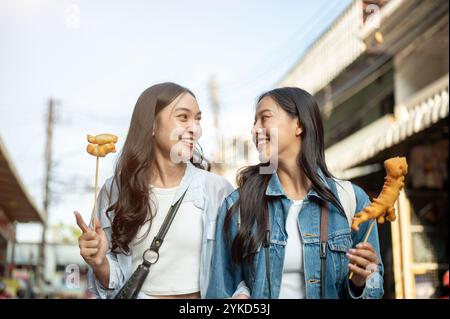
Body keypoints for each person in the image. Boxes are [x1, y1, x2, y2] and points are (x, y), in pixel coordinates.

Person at [206, 87, 384, 299]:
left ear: (299, 125)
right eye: (254, 122)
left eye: (265, 118)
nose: (255, 130)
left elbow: (375, 288)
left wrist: (360, 282)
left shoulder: (351, 200)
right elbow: (219, 292)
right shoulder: (238, 205)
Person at [75, 82, 234, 299]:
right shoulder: (115, 191)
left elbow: (240, 266)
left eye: (197, 119)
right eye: (183, 117)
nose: (194, 129)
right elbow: (115, 283)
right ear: (152, 124)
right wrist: (100, 261)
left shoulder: (217, 189)